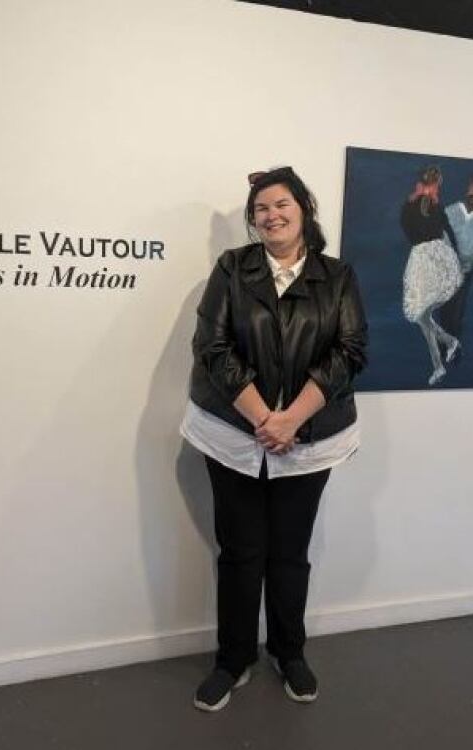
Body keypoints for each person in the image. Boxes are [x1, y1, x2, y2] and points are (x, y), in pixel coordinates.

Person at [179, 166, 368, 711]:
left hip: (310, 439)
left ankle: (290, 654)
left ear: (303, 208)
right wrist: (265, 417)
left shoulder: (338, 276)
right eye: (261, 208)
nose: (271, 215)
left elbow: (350, 352)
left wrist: (292, 419)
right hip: (233, 434)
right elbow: (211, 346)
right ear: (252, 218)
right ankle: (232, 660)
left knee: (290, 553)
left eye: (281, 203)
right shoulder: (232, 269)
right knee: (240, 554)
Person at [400, 165, 463, 386]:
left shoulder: (409, 206)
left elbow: (408, 231)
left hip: (425, 259)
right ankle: (446, 349)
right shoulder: (436, 207)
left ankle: (440, 362)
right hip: (435, 257)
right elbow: (449, 234)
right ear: (436, 184)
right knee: (422, 316)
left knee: (422, 316)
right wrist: (455, 257)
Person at [437, 174, 473, 345]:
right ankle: (444, 346)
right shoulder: (450, 210)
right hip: (445, 268)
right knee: (444, 310)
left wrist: (470, 263)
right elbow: (439, 237)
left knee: (457, 311)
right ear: (468, 187)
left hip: (466, 271)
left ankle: (453, 347)